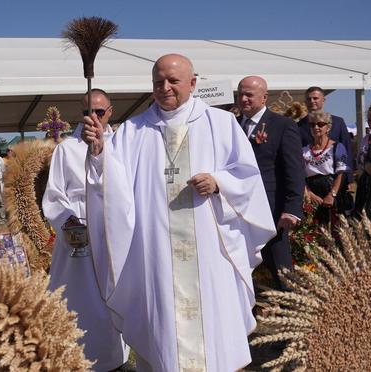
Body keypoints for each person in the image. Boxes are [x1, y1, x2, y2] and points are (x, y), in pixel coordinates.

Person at [82, 54, 276, 371]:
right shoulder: (133, 131)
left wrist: (218, 182)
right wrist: (100, 154)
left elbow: (247, 177)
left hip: (209, 252)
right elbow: (112, 188)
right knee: (163, 335)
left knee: (215, 332)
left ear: (193, 83)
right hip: (156, 254)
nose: (166, 87)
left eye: (173, 80)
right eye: (158, 82)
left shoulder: (222, 124)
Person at [42, 88, 129, 371]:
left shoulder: (122, 145)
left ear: (110, 112)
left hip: (112, 229)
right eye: (87, 112)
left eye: (99, 112)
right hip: (76, 230)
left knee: (112, 293)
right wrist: (69, 224)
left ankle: (114, 357)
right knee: (77, 297)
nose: (93, 117)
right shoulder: (67, 149)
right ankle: (74, 353)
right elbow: (55, 194)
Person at [236, 76, 305, 290]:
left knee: (281, 269)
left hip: (271, 211)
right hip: (237, 209)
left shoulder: (282, 125)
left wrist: (292, 209)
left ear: (264, 97)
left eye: (249, 94)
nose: (244, 99)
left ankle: (295, 313)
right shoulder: (233, 125)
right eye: (240, 94)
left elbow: (294, 170)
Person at [298, 86, 354, 186]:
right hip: (310, 181)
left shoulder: (338, 122)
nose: (312, 101)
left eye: (315, 98)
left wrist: (349, 179)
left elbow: (347, 149)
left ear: (323, 100)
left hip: (335, 178)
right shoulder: (299, 126)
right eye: (308, 99)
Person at [302, 111, 349, 226]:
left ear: (328, 127)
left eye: (320, 124)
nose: (316, 127)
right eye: (312, 125)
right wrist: (308, 193)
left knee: (333, 229)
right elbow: (299, 175)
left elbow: (341, 173)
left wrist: (332, 195)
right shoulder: (304, 150)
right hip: (311, 193)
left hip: (330, 191)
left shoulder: (337, 147)